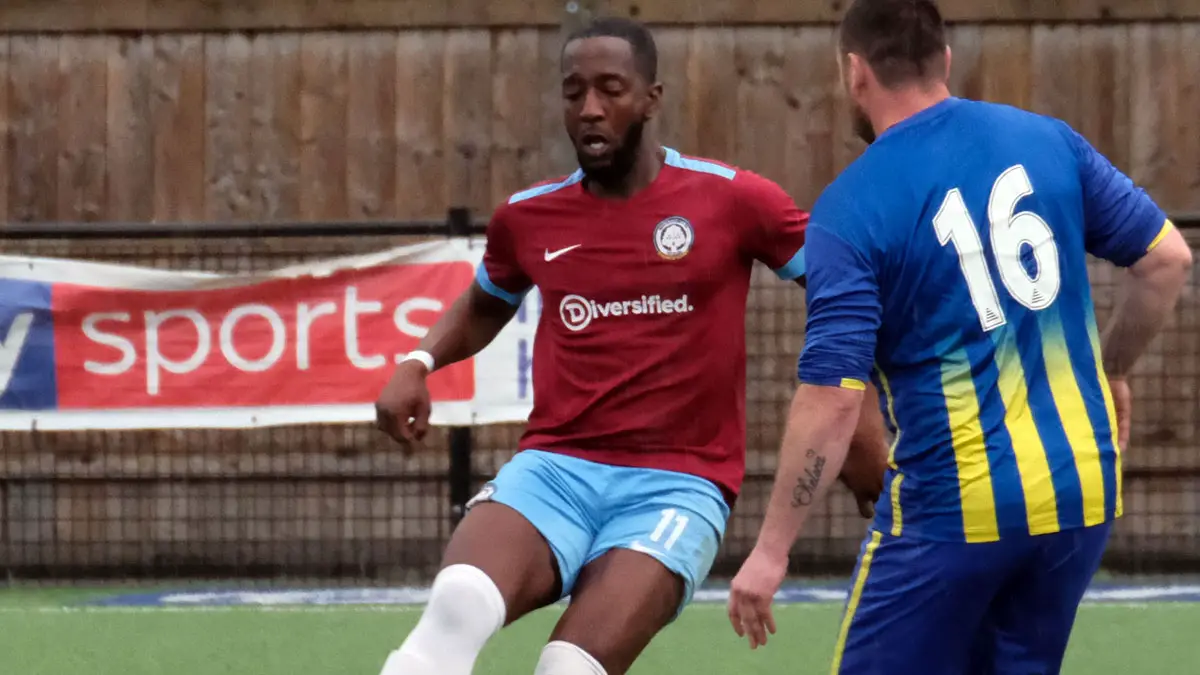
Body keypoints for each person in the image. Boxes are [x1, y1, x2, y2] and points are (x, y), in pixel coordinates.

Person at [372, 16, 888, 675]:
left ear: (650, 98)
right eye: (574, 92)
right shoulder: (528, 216)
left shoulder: (733, 199)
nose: (590, 108)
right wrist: (418, 362)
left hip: (678, 486)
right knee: (454, 608)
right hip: (552, 470)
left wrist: (859, 420)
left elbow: (845, 290)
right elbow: (485, 303)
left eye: (610, 90)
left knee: (566, 667)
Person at [726, 1, 1194, 673]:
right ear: (944, 60)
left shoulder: (851, 208)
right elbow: (1167, 261)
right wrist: (1111, 368)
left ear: (855, 73)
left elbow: (832, 398)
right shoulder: (1049, 140)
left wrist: (771, 550)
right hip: (1081, 490)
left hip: (954, 508)